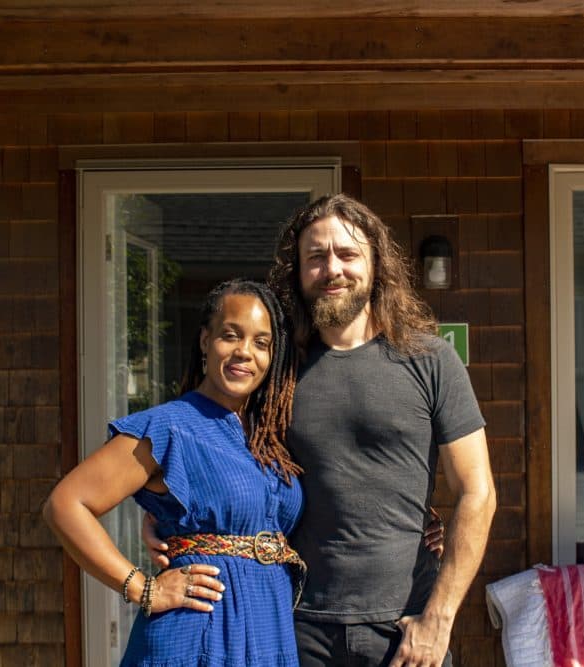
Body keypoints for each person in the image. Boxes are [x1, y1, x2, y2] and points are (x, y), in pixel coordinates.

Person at [150, 194, 496, 666]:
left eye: (348, 254)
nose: (332, 268)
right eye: (316, 257)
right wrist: (164, 510)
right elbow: (204, 441)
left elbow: (477, 491)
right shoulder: (276, 370)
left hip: (405, 628)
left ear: (376, 263)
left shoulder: (431, 361)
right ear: (298, 270)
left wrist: (439, 618)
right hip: (294, 623)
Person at [43, 278, 307, 667]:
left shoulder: (269, 439)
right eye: (230, 336)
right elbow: (65, 504)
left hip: (269, 632)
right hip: (197, 637)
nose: (244, 352)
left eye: (261, 343)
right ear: (205, 341)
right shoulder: (170, 427)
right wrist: (143, 588)